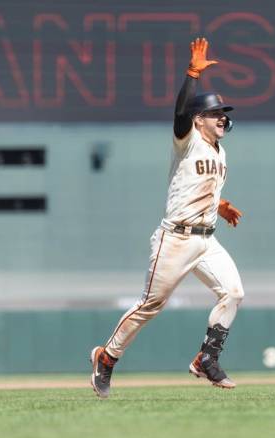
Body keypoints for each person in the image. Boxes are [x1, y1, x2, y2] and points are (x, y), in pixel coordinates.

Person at [90, 37, 245, 398]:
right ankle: (107, 358)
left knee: (234, 293)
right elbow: (179, 114)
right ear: (199, 119)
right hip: (175, 238)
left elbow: (199, 187)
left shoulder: (220, 152)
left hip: (206, 239)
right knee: (150, 306)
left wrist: (220, 206)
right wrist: (191, 76)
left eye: (225, 113)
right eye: (216, 112)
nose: (223, 117)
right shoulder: (187, 139)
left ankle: (206, 359)